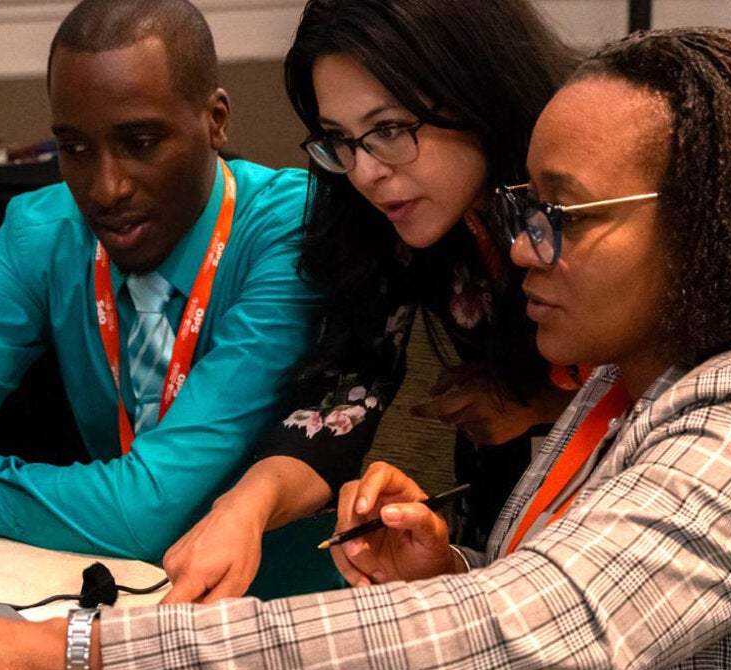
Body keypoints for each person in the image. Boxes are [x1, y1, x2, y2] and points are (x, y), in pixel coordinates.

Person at [0, 26, 731, 670]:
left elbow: (516, 640)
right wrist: (449, 569)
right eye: (525, 212)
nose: (522, 243)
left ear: (711, 227)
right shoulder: (625, 388)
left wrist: (62, 649)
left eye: (561, 216)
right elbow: (578, 610)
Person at [0, 0, 335, 626]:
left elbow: (147, 514)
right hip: (122, 604)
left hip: (294, 607)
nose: (105, 188)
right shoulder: (41, 230)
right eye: (75, 148)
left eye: (140, 143)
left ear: (215, 119)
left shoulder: (287, 229)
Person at [162, 0, 579, 604]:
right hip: (492, 536)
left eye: (387, 130)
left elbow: (665, 388)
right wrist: (244, 507)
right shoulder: (395, 218)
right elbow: (346, 389)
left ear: (476, 87)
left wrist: (541, 403)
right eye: (340, 141)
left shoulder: (584, 211)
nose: (363, 172)